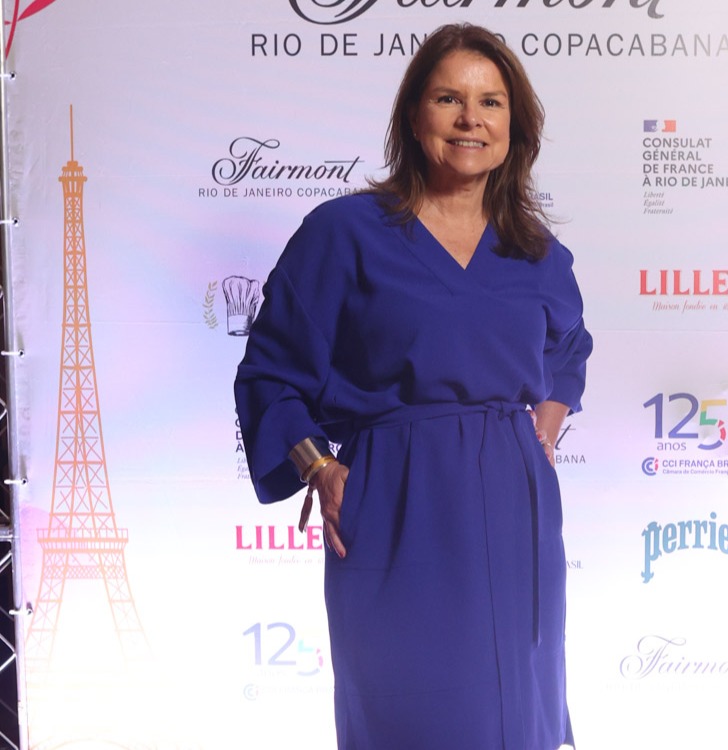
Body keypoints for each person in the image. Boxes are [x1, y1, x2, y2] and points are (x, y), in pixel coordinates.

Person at [235, 22, 592, 750]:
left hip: (514, 504)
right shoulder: (344, 232)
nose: (470, 120)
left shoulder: (537, 252)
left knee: (516, 710)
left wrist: (546, 425)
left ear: (515, 125)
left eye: (491, 103)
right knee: (409, 708)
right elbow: (270, 370)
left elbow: (569, 347)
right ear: (413, 115)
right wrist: (320, 467)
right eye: (448, 99)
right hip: (395, 501)